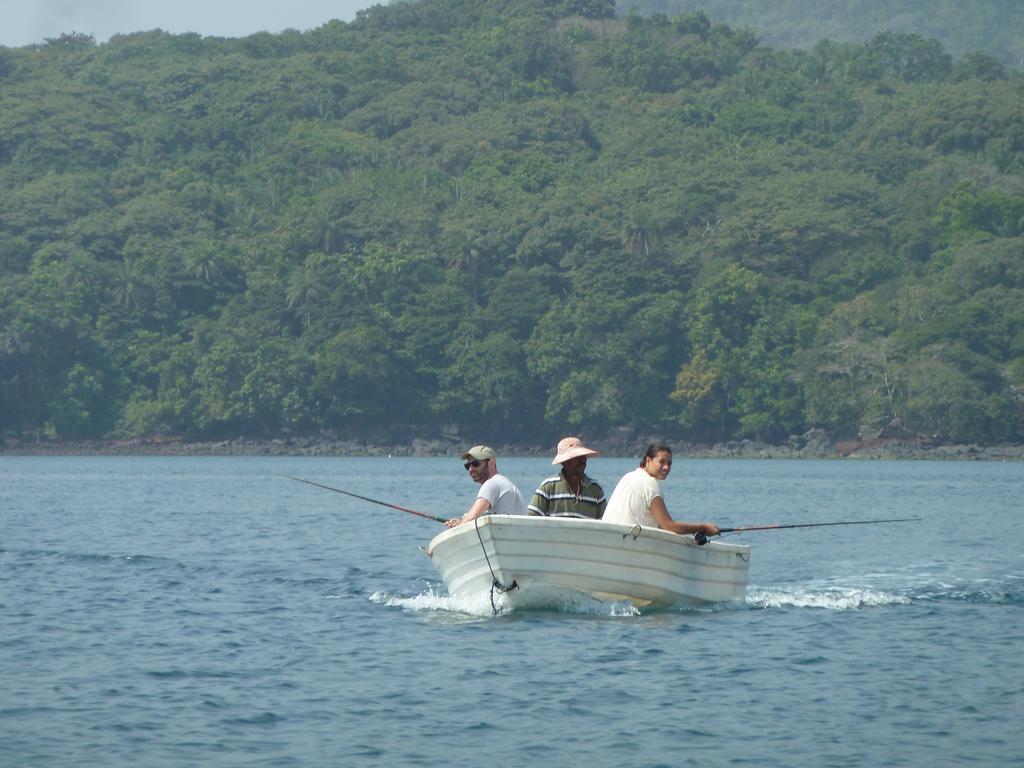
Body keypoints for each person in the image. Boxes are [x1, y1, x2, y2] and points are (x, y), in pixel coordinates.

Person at [602, 443, 719, 540]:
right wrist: (703, 527)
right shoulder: (651, 484)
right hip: (627, 543)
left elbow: (661, 526)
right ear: (648, 460)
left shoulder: (628, 476)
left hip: (609, 538)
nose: (666, 467)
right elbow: (668, 526)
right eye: (661, 462)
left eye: (669, 463)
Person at [445, 445, 528, 527]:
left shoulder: (492, 483)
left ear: (491, 464)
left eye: (475, 464)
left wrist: (459, 525)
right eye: (468, 466)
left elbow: (473, 517)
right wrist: (462, 521)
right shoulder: (503, 482)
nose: (471, 469)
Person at [528, 437, 607, 519]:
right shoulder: (549, 487)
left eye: (583, 456)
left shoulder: (595, 489)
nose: (583, 459)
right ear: (565, 462)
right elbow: (532, 517)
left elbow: (605, 521)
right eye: (577, 457)